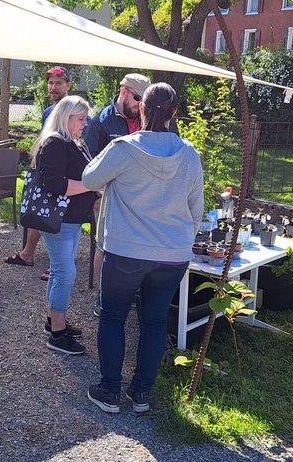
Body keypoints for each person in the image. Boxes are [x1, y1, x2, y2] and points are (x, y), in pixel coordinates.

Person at [82, 82, 204, 414]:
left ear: (141, 109)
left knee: (113, 317)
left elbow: (90, 178)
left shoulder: (123, 148)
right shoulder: (189, 155)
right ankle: (141, 393)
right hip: (172, 254)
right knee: (154, 321)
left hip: (126, 251)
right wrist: (180, 241)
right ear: (174, 113)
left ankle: (110, 391)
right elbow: (196, 209)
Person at [34, 95, 98, 355]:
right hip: (59, 219)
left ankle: (54, 322)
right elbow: (56, 185)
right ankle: (57, 335)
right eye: (81, 119)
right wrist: (90, 186)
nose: (85, 123)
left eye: (86, 118)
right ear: (66, 117)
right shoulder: (55, 143)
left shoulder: (72, 142)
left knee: (60, 271)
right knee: (65, 273)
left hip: (69, 218)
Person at [82, 73, 151, 315]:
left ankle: (131, 293)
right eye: (137, 99)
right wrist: (99, 192)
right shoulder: (102, 120)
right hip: (109, 196)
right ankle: (103, 298)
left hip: (141, 196)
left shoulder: (147, 117)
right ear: (124, 92)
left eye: (144, 101)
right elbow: (88, 158)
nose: (141, 105)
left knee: (137, 246)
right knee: (105, 246)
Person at [5, 66, 73, 274]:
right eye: (50, 83)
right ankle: (28, 254)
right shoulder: (48, 112)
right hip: (46, 171)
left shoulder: (73, 110)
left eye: (58, 83)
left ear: (68, 85)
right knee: (39, 210)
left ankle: (57, 266)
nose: (53, 87)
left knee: (60, 217)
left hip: (65, 175)